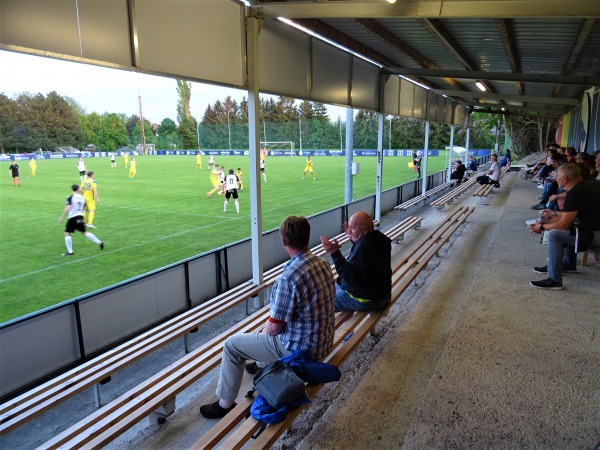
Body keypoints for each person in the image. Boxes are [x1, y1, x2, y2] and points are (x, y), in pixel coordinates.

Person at [199, 215, 335, 419]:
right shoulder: (322, 263)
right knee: (265, 336)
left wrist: (263, 331)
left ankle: (225, 403)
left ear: (283, 241)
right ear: (307, 237)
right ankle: (261, 363)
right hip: (323, 343)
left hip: (300, 351)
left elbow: (273, 329)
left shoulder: (287, 278)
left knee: (232, 345)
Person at [529, 163, 600, 289]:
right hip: (592, 230)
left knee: (554, 234)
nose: (555, 179)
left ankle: (554, 279)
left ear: (565, 178)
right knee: (563, 229)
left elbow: (563, 224)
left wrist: (541, 228)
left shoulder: (575, 193)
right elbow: (568, 216)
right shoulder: (582, 188)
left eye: (557, 176)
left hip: (595, 234)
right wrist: (544, 222)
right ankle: (568, 264)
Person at [320, 212, 392, 312]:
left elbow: (350, 277)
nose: (349, 230)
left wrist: (334, 252)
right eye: (349, 227)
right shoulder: (378, 239)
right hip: (381, 294)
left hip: (367, 299)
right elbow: (364, 254)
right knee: (326, 289)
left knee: (319, 304)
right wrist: (353, 236)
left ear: (364, 230)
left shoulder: (364, 247)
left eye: (352, 228)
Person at [58, 184, 104, 256]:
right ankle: (99, 242)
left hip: (73, 218)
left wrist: (62, 217)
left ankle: (70, 252)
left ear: (72, 189)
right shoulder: (83, 198)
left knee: (67, 233)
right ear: (78, 189)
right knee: (84, 232)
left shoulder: (71, 197)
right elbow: (83, 208)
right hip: (80, 217)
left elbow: (68, 208)